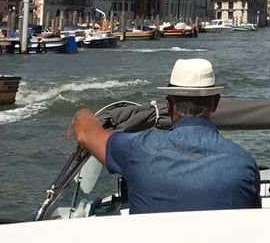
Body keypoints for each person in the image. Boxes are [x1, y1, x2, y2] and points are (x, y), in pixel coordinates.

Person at [68, 57, 259, 214]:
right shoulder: (243, 162)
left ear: (167, 105)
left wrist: (83, 113)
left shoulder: (138, 149)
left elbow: (84, 133)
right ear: (215, 103)